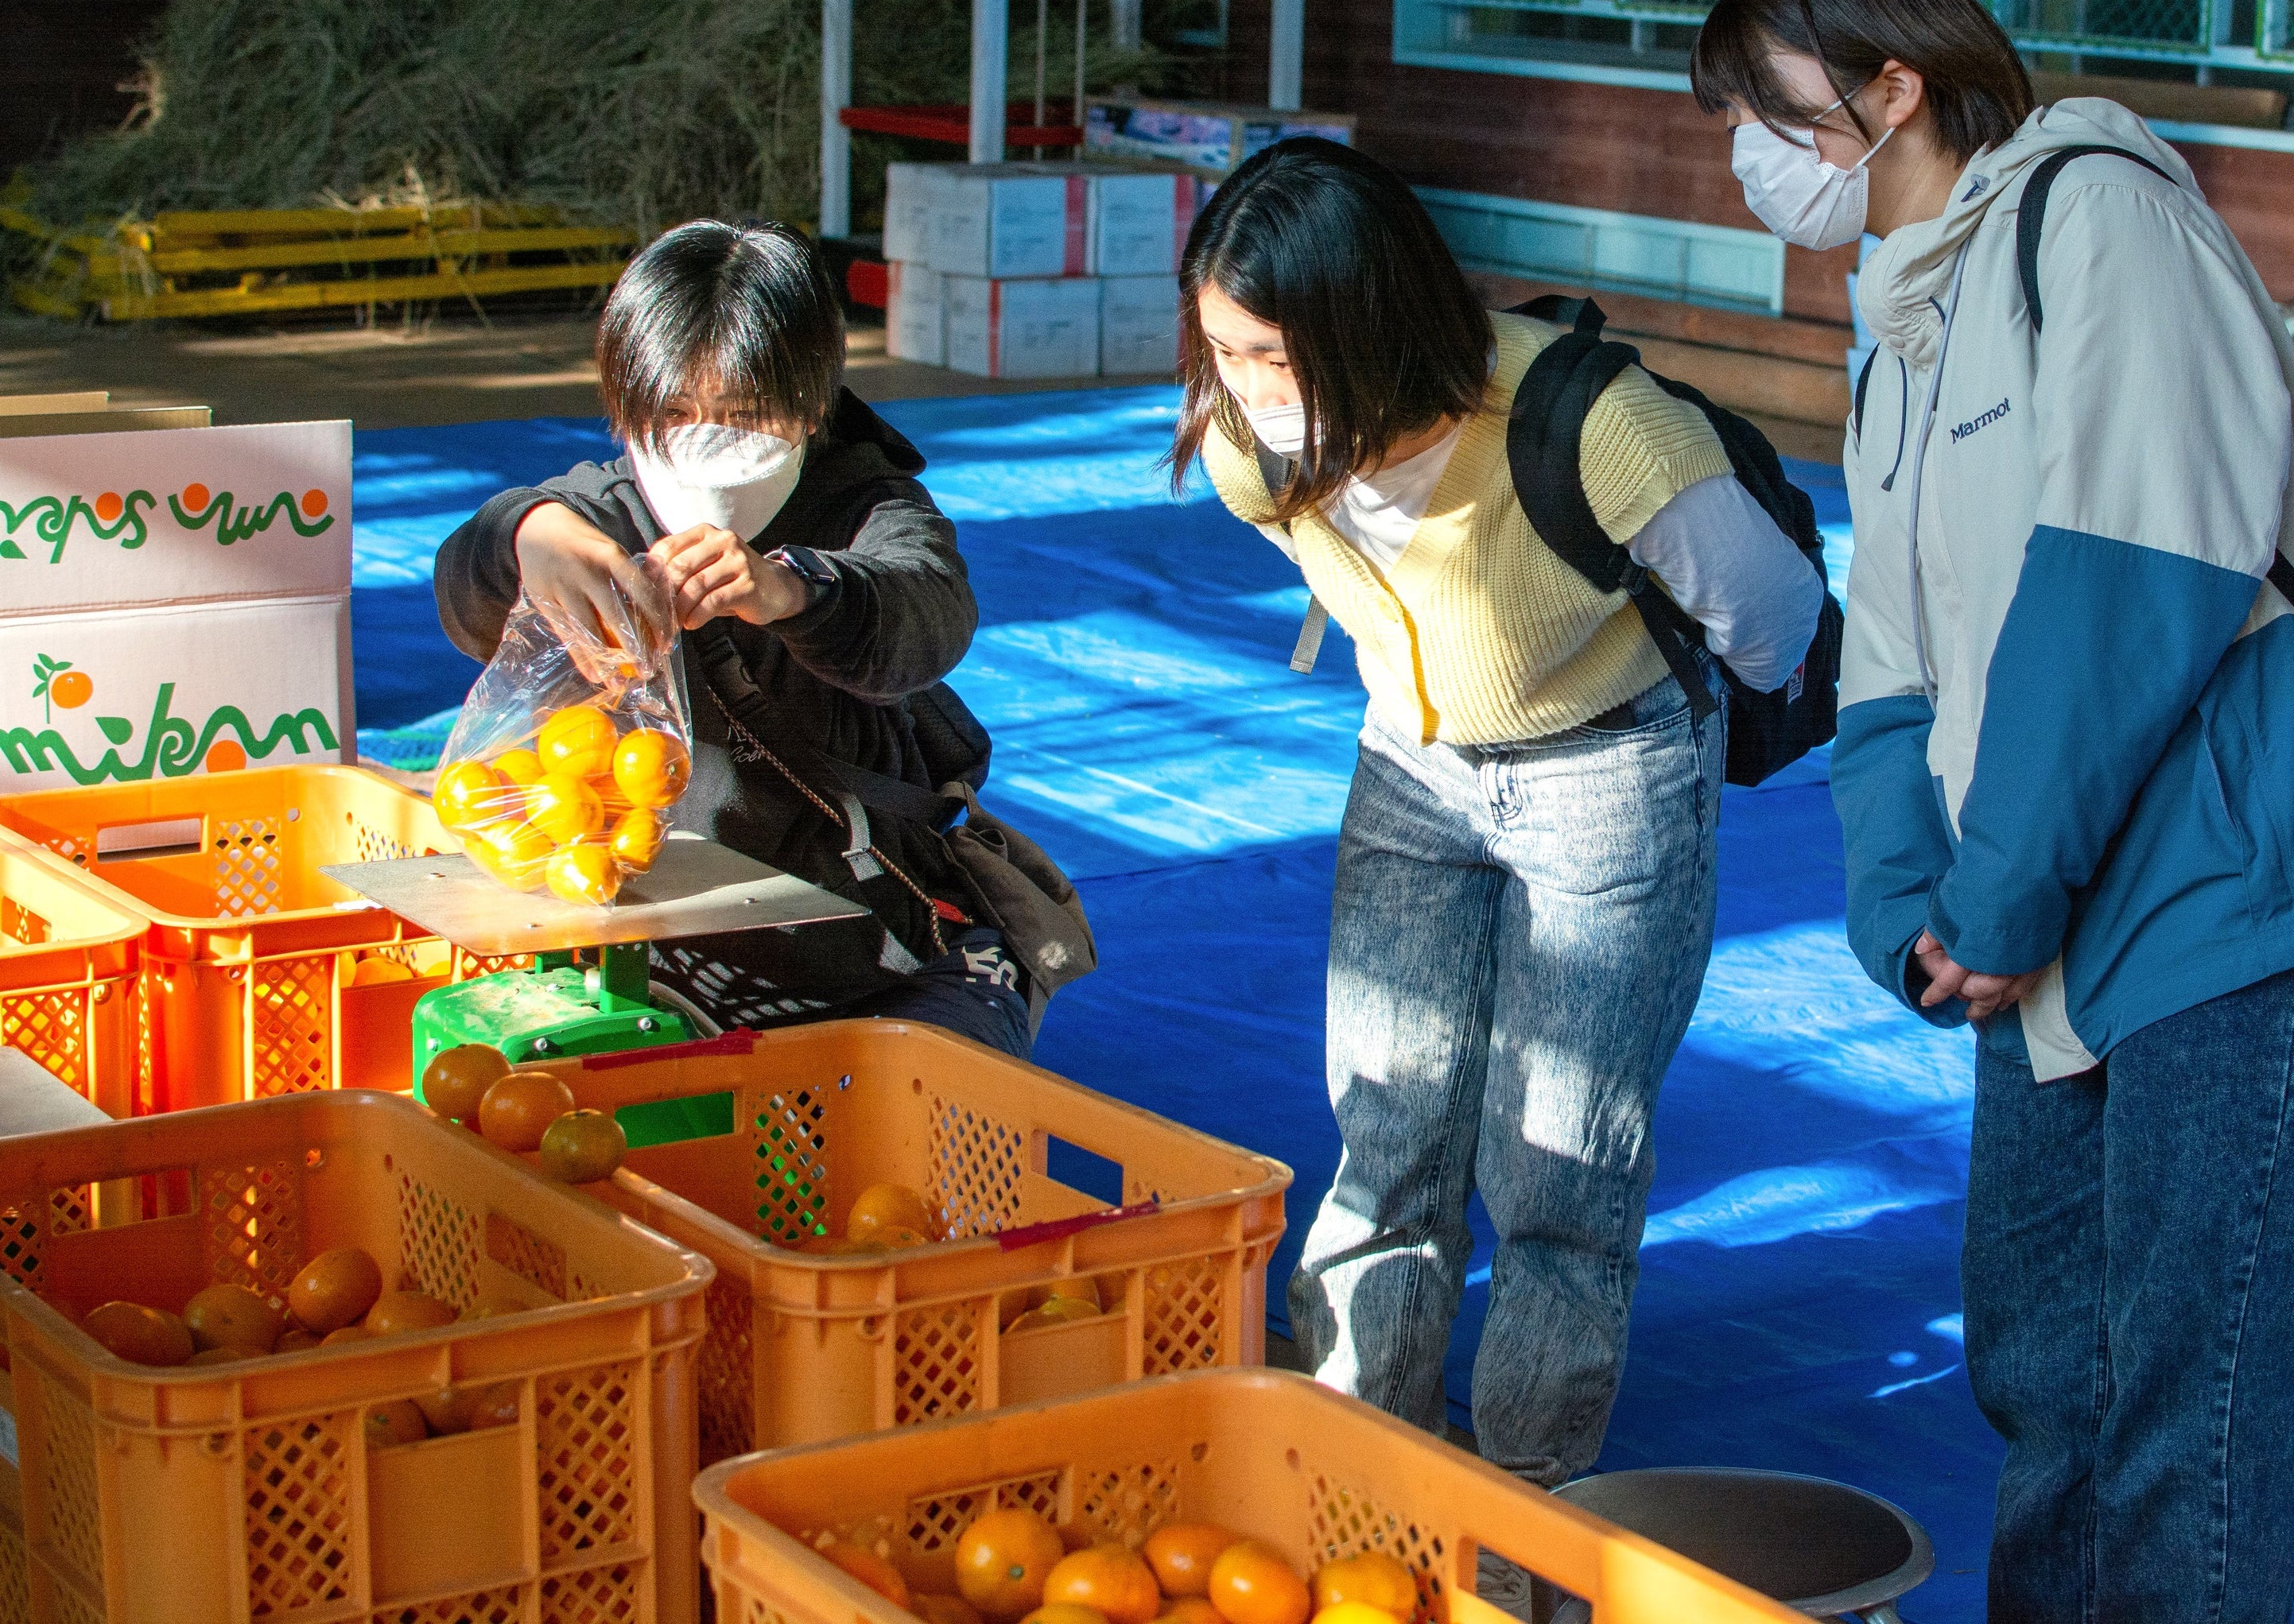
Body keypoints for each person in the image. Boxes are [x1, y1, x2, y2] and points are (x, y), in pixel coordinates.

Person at [1691, 0, 2294, 1622]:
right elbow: (1884, 656)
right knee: (2043, 1373)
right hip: (2038, 925)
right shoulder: (1901, 322)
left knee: (2194, 1396)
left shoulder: (2100, 217)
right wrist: (1916, 914)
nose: (1751, 153)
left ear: (1897, 85)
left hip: (2226, 907)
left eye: (1771, 106)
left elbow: (2132, 582)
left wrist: (2003, 894)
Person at [1170, 138, 1826, 1495]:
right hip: (1410, 772)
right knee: (1387, 1128)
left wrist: (1602, 685)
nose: (1247, 390)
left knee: (1559, 1174)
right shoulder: (1248, 447)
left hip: (1607, 780)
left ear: (1378, 326)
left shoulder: (1600, 424)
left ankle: (1525, 1510)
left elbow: (1775, 623)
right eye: (1227, 350)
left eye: (1278, 358)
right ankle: (1351, 1481)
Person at [436, 217, 1049, 1052]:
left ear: (810, 403)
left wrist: (791, 588)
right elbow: (467, 585)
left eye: (746, 413)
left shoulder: (868, 504)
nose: (704, 438)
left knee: (923, 1110)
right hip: (644, 941)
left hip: (863, 943)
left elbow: (927, 613)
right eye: (675, 410)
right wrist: (523, 535)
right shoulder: (605, 513)